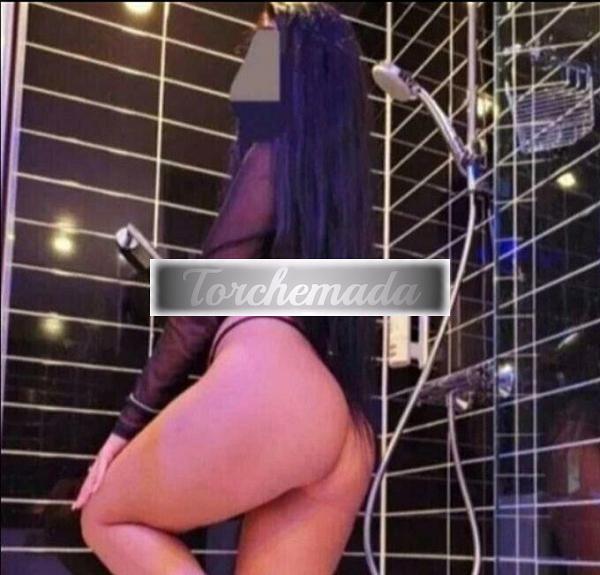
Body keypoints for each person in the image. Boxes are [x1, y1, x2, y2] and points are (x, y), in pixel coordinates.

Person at [73, 3, 377, 573]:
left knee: (105, 516)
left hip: (273, 385)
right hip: (341, 426)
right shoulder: (331, 189)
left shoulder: (271, 158)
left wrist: (124, 429)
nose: (248, 61)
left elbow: (201, 307)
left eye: (262, 48)